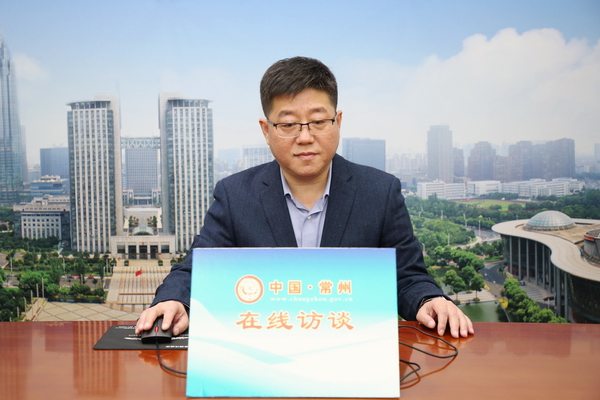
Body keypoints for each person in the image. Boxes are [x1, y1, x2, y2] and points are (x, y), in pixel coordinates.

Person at [136, 56, 474, 339]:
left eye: (317, 121)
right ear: (266, 130)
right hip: (262, 355)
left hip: (353, 354)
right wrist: (174, 301)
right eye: (288, 125)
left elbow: (407, 275)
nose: (305, 137)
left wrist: (429, 299)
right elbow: (197, 270)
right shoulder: (235, 195)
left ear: (338, 122)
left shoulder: (379, 192)